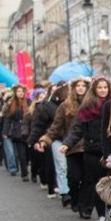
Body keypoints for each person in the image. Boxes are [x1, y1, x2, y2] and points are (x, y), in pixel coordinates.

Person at [61, 77, 111, 221]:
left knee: (110, 180)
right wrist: (67, 144)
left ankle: (110, 207)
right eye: (100, 87)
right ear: (94, 90)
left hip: (109, 149)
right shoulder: (86, 108)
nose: (103, 90)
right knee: (91, 181)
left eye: (105, 87)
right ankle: (86, 208)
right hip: (92, 148)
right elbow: (78, 129)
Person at [40, 78, 88, 213]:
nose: (80, 88)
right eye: (78, 85)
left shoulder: (91, 104)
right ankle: (73, 197)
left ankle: (85, 206)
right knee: (74, 177)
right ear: (72, 88)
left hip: (89, 145)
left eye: (83, 86)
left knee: (87, 178)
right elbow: (56, 126)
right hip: (71, 146)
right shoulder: (65, 106)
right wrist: (46, 139)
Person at [0, 85, 30, 180]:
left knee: (28, 154)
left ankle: (29, 168)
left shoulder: (29, 102)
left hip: (28, 130)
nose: (20, 93)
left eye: (22, 91)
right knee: (21, 154)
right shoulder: (12, 104)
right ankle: (24, 173)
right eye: (18, 91)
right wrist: (5, 131)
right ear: (15, 93)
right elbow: (7, 119)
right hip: (17, 131)